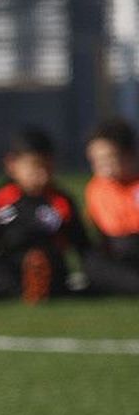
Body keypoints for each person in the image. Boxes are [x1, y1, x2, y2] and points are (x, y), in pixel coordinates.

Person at [0, 127, 90, 303]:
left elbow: (82, 247)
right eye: (35, 166)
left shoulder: (61, 202)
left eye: (48, 167)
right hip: (10, 269)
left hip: (50, 269)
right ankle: (18, 291)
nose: (42, 175)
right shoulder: (0, 200)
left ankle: (41, 287)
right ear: (12, 164)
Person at [81, 118, 139, 295]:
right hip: (120, 255)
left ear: (129, 154)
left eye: (108, 158)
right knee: (94, 264)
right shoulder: (96, 189)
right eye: (96, 160)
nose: (102, 166)